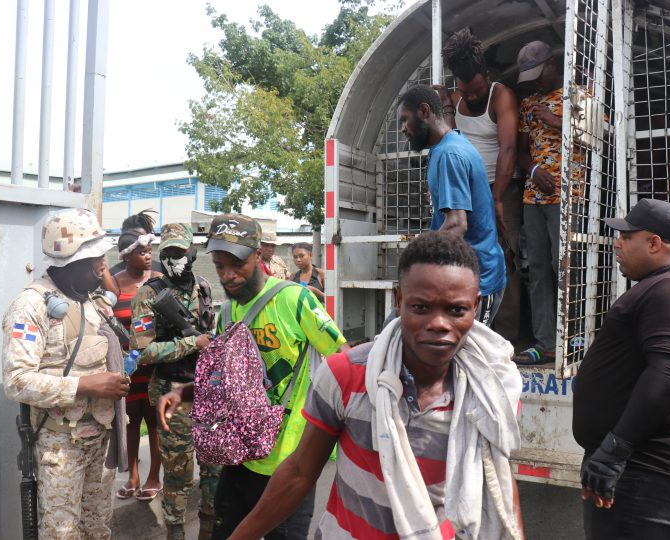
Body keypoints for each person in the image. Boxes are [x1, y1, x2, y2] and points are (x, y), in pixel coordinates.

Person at [225, 231, 524, 539]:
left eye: (456, 310)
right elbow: (300, 472)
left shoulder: (490, 392)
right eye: (421, 307)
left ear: (475, 307)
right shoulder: (346, 376)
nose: (438, 323)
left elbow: (497, 478)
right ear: (399, 300)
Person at [157, 213, 348, 540]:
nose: (228, 275)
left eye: (238, 264)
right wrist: (183, 393)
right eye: (219, 265)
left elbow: (343, 362)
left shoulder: (295, 299)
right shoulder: (229, 311)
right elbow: (224, 379)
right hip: (241, 456)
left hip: (290, 463)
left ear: (259, 256)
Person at [573, 199, 670, 539]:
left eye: (626, 236)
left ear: (654, 243)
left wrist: (614, 450)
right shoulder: (666, 286)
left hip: (651, 466)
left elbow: (668, 375)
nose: (617, 243)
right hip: (643, 464)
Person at [2, 208, 130, 538]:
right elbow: (17, 381)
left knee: (98, 530)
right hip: (59, 447)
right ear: (70, 262)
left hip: (100, 443)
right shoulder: (31, 306)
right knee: (62, 534)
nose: (103, 265)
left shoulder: (93, 301)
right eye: (95, 259)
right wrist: (85, 385)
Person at [130, 223, 221, 540]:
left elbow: (215, 335)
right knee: (179, 473)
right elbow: (141, 352)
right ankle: (176, 533)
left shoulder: (206, 288)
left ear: (192, 253)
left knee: (213, 469)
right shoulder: (150, 295)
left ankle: (209, 528)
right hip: (173, 396)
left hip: (208, 393)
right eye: (166, 253)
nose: (173, 259)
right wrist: (189, 345)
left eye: (179, 252)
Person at [436, 28, 523, 340]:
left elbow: (509, 149)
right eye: (465, 90)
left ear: (486, 75)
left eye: (476, 89)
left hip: (500, 188)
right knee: (465, 257)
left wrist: (496, 197)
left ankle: (506, 338)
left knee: (504, 258)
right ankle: (471, 331)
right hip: (469, 191)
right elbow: (451, 139)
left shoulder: (501, 95)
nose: (472, 96)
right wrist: (447, 102)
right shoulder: (457, 98)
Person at [398, 84, 506, 326]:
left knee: (466, 356)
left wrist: (416, 261)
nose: (403, 129)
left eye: (405, 120)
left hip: (478, 281)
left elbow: (457, 226)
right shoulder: (449, 145)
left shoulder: (449, 155)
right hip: (463, 276)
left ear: (424, 111)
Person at [514, 40, 583, 364]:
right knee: (538, 268)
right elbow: (521, 151)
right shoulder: (528, 104)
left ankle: (576, 337)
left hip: (568, 196)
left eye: (541, 74)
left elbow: (603, 136)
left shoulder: (578, 97)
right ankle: (545, 343)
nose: (538, 81)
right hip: (534, 197)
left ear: (554, 63)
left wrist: (557, 121)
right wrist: (535, 169)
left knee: (566, 265)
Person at [112, 230, 163, 501]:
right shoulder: (115, 284)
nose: (148, 255)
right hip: (127, 366)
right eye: (141, 252)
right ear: (126, 255)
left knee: (153, 421)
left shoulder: (158, 281)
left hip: (154, 364)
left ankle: (154, 475)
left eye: (149, 250)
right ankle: (132, 476)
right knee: (131, 420)